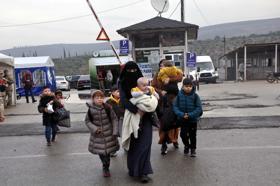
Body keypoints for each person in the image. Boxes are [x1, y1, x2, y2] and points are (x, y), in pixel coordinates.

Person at [119, 61, 154, 183]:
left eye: (134, 71)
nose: (132, 73)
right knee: (133, 146)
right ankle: (134, 169)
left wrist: (148, 105)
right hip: (132, 117)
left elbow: (152, 95)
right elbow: (123, 100)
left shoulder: (144, 82)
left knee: (145, 145)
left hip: (147, 119)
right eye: (130, 71)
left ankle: (144, 172)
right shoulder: (122, 82)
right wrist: (136, 110)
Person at [85, 90, 119, 177]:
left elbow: (114, 119)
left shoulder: (108, 107)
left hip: (109, 134)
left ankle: (106, 167)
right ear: (93, 99)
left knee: (107, 154)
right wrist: (95, 129)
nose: (99, 99)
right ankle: (104, 165)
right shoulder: (90, 110)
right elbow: (87, 121)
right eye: (97, 98)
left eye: (101, 97)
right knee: (101, 153)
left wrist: (115, 131)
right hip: (97, 136)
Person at [152, 59, 183, 155]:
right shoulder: (157, 75)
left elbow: (180, 77)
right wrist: (160, 92)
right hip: (162, 102)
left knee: (174, 122)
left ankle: (174, 139)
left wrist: (170, 79)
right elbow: (152, 87)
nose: (162, 67)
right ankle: (163, 143)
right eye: (161, 65)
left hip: (173, 101)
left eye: (164, 65)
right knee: (164, 123)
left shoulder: (173, 73)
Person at [173, 78, 203, 157]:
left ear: (192, 87)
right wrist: (182, 114)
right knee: (183, 135)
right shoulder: (179, 96)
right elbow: (175, 107)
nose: (188, 88)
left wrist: (190, 115)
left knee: (192, 135)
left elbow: (198, 108)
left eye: (190, 86)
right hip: (183, 119)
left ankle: (193, 150)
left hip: (192, 120)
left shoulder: (195, 96)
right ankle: (187, 145)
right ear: (182, 87)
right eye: (186, 86)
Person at [106, 85, 125, 157]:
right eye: (117, 91)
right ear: (113, 93)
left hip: (122, 120)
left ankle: (127, 148)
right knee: (113, 137)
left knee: (125, 135)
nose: (119, 93)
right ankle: (112, 151)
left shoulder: (123, 100)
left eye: (120, 91)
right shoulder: (109, 102)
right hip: (113, 122)